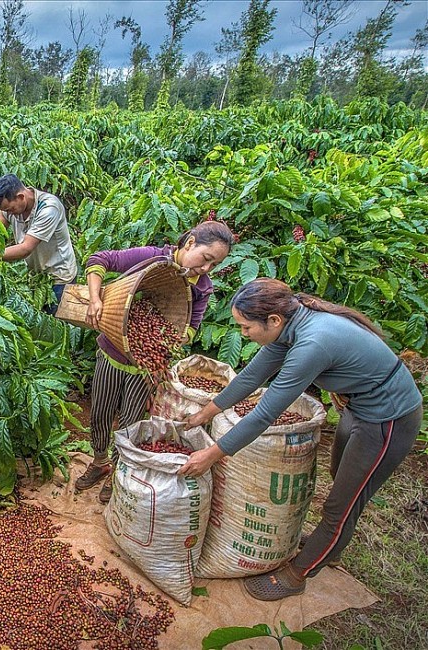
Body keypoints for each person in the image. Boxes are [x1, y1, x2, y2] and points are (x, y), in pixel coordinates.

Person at [180, 278, 423, 601]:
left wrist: (211, 455)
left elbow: (265, 414)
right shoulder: (289, 326)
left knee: (342, 504)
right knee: (341, 482)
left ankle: (299, 573)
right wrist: (204, 414)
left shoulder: (311, 343)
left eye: (245, 327)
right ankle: (331, 544)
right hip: (357, 409)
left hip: (388, 419)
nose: (243, 334)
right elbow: (252, 376)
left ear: (273, 321)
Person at [75, 220, 235, 503]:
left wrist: (173, 336)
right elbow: (99, 260)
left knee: (130, 424)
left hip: (144, 369)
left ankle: (118, 472)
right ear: (189, 243)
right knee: (100, 413)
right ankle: (100, 462)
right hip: (111, 354)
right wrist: (95, 299)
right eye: (206, 258)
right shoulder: (153, 258)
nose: (207, 269)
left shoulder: (202, 289)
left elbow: (191, 327)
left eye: (215, 264)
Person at [0, 174, 78, 314]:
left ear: (21, 197)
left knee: (58, 323)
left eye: (10, 209)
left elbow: (26, 248)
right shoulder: (9, 208)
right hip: (37, 276)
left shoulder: (49, 208)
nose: (9, 214)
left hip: (59, 277)